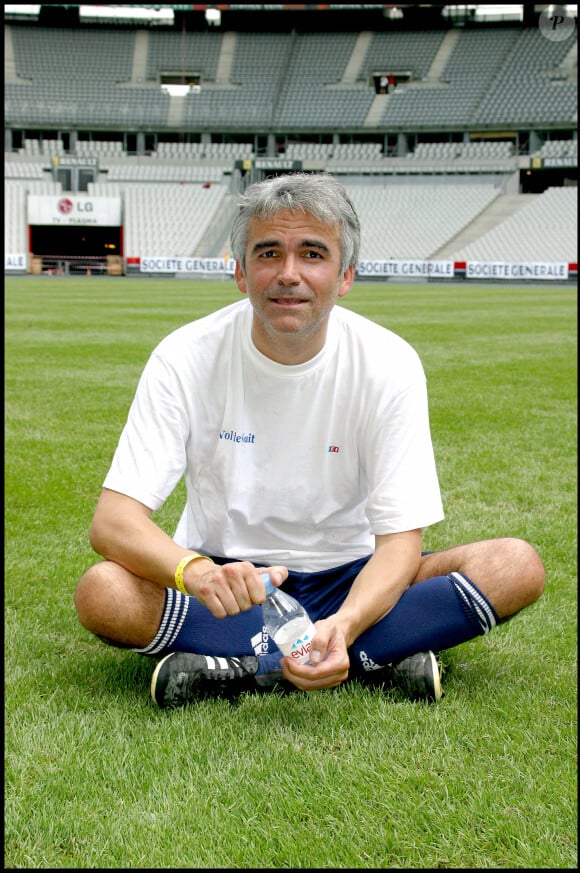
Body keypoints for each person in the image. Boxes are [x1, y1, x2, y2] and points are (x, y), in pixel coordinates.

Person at [74, 172, 545, 708]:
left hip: (356, 580)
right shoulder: (184, 356)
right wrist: (197, 572)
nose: (288, 274)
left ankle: (246, 667)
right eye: (268, 252)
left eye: (313, 254)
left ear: (345, 276)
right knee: (102, 592)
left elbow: (399, 546)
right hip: (230, 585)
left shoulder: (389, 363)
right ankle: (378, 659)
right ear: (240, 272)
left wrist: (345, 621)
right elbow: (113, 522)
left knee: (516, 565)